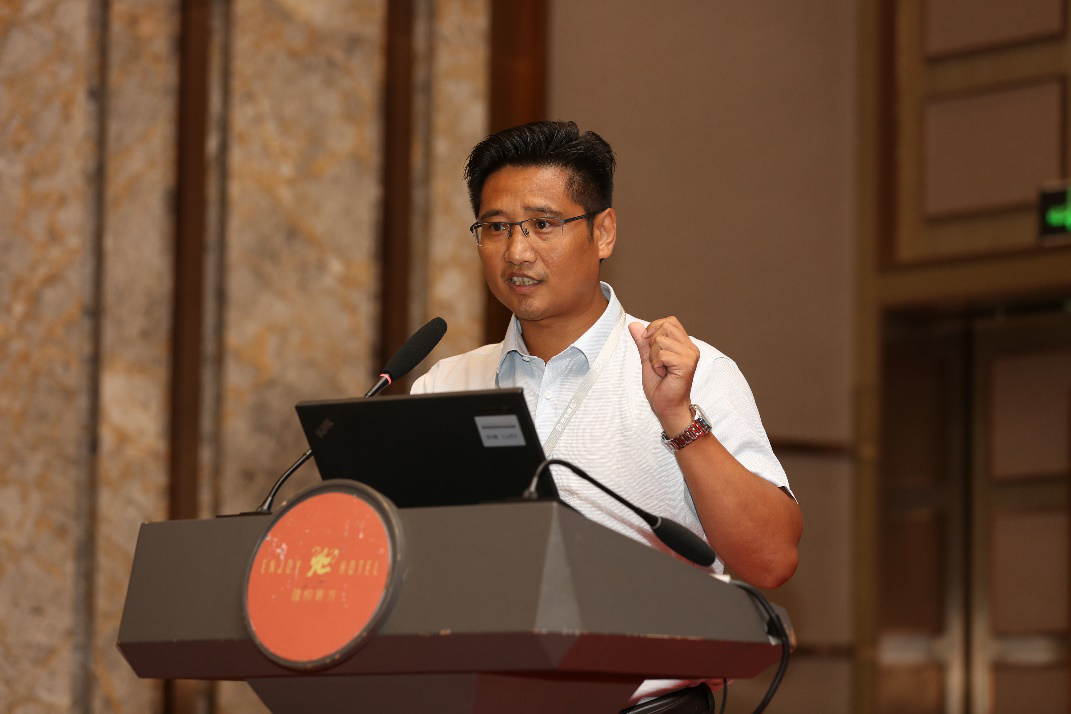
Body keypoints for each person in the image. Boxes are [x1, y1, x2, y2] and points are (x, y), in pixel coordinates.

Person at [411, 121, 802, 711]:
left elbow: (772, 559)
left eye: (543, 224)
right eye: (496, 227)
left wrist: (679, 419)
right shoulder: (446, 385)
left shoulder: (690, 372)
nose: (517, 252)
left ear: (603, 232)